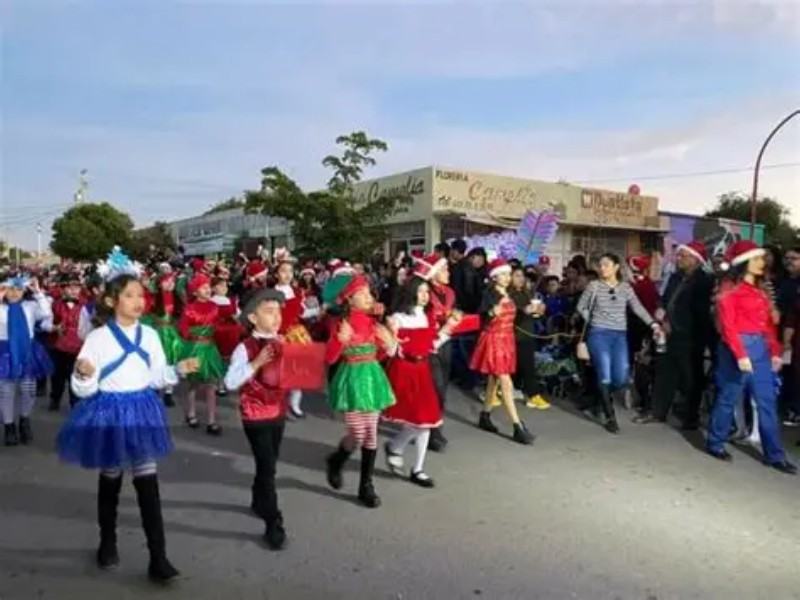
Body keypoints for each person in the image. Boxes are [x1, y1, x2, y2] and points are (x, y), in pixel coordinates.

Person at [56, 247, 199, 582]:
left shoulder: (149, 334)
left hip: (142, 410)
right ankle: (107, 541)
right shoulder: (97, 338)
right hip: (109, 412)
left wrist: (177, 369)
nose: (139, 300)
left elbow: (155, 376)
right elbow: (83, 391)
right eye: (130, 294)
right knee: (111, 479)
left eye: (141, 294)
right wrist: (84, 373)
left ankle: (158, 556)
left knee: (148, 484)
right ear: (111, 301)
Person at [706, 241, 796, 475]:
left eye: (762, 258)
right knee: (729, 397)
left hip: (760, 349)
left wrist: (775, 352)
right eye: (756, 258)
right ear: (743, 262)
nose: (762, 262)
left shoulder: (761, 290)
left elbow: (767, 326)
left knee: (767, 402)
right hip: (736, 347)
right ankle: (715, 443)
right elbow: (728, 326)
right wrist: (740, 354)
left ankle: (775, 455)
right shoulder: (729, 288)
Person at [223, 288, 290, 550]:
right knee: (268, 468)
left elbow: (293, 376)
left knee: (269, 462)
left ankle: (257, 496)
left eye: (278, 311)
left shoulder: (284, 341)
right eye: (269, 311)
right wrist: (257, 362)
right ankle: (274, 521)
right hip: (255, 414)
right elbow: (230, 382)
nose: (276, 317)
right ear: (252, 317)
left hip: (278, 412)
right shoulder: (245, 347)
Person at [324, 273, 397, 508]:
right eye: (362, 293)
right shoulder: (340, 323)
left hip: (372, 376)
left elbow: (383, 354)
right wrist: (340, 341)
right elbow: (330, 357)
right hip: (352, 378)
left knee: (371, 433)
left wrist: (389, 342)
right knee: (357, 433)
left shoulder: (374, 322)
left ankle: (366, 485)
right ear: (348, 299)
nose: (368, 297)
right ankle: (337, 459)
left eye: (368, 292)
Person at [383, 274, 458, 488]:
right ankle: (399, 450)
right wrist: (390, 336)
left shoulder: (427, 317)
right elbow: (390, 350)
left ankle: (416, 466)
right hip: (404, 371)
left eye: (428, 292)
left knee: (427, 421)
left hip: (423, 370)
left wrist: (448, 328)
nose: (426, 296)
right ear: (411, 292)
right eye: (422, 291)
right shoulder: (396, 318)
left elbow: (432, 346)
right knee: (419, 421)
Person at [576, 253, 661, 434]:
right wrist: (590, 318)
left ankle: (599, 396)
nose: (602, 268)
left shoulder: (626, 288)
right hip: (598, 334)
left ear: (616, 267)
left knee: (621, 377)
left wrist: (653, 324)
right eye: (600, 265)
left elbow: (637, 307)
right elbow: (581, 306)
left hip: (620, 336)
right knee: (604, 374)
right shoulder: (594, 286)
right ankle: (610, 417)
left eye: (606, 265)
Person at [635, 241, 713, 429]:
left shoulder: (704, 281)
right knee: (664, 373)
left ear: (696, 260)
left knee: (690, 378)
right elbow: (665, 299)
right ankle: (657, 412)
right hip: (668, 334)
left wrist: (676, 326)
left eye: (683, 256)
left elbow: (699, 313)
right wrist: (661, 313)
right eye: (678, 255)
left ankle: (691, 417)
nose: (678, 259)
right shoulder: (675, 277)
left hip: (690, 337)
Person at [473, 259, 535, 445]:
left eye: (508, 274)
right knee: (506, 382)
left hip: (507, 339)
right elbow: (481, 317)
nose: (507, 278)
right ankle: (517, 426)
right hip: (494, 340)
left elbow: (515, 316)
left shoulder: (509, 293)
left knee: (494, 380)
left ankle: (485, 415)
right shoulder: (489, 294)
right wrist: (492, 312)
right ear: (494, 276)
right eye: (503, 274)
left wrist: (529, 310)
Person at [0, 275, 52, 445]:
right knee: (6, 392)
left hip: (27, 351)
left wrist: (38, 292)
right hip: (5, 352)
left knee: (28, 389)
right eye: (10, 289)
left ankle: (24, 420)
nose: (14, 293)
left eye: (19, 289)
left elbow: (45, 312)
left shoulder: (29, 306)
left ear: (24, 290)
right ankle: (9, 426)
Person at [179, 273, 226, 435]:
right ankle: (191, 413)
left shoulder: (214, 306)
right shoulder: (189, 308)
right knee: (193, 382)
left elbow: (218, 326)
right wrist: (190, 334)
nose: (207, 289)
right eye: (203, 287)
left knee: (211, 384)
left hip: (210, 348)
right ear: (195, 291)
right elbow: (183, 328)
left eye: (208, 286)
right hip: (194, 348)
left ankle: (211, 420)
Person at [508, 266, 549, 409]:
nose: (520, 279)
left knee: (525, 365)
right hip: (513, 334)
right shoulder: (507, 294)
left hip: (527, 333)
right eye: (517, 276)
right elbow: (510, 313)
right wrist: (523, 311)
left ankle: (524, 392)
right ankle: (533, 394)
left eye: (522, 276)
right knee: (520, 366)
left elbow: (533, 313)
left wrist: (539, 310)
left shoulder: (527, 293)